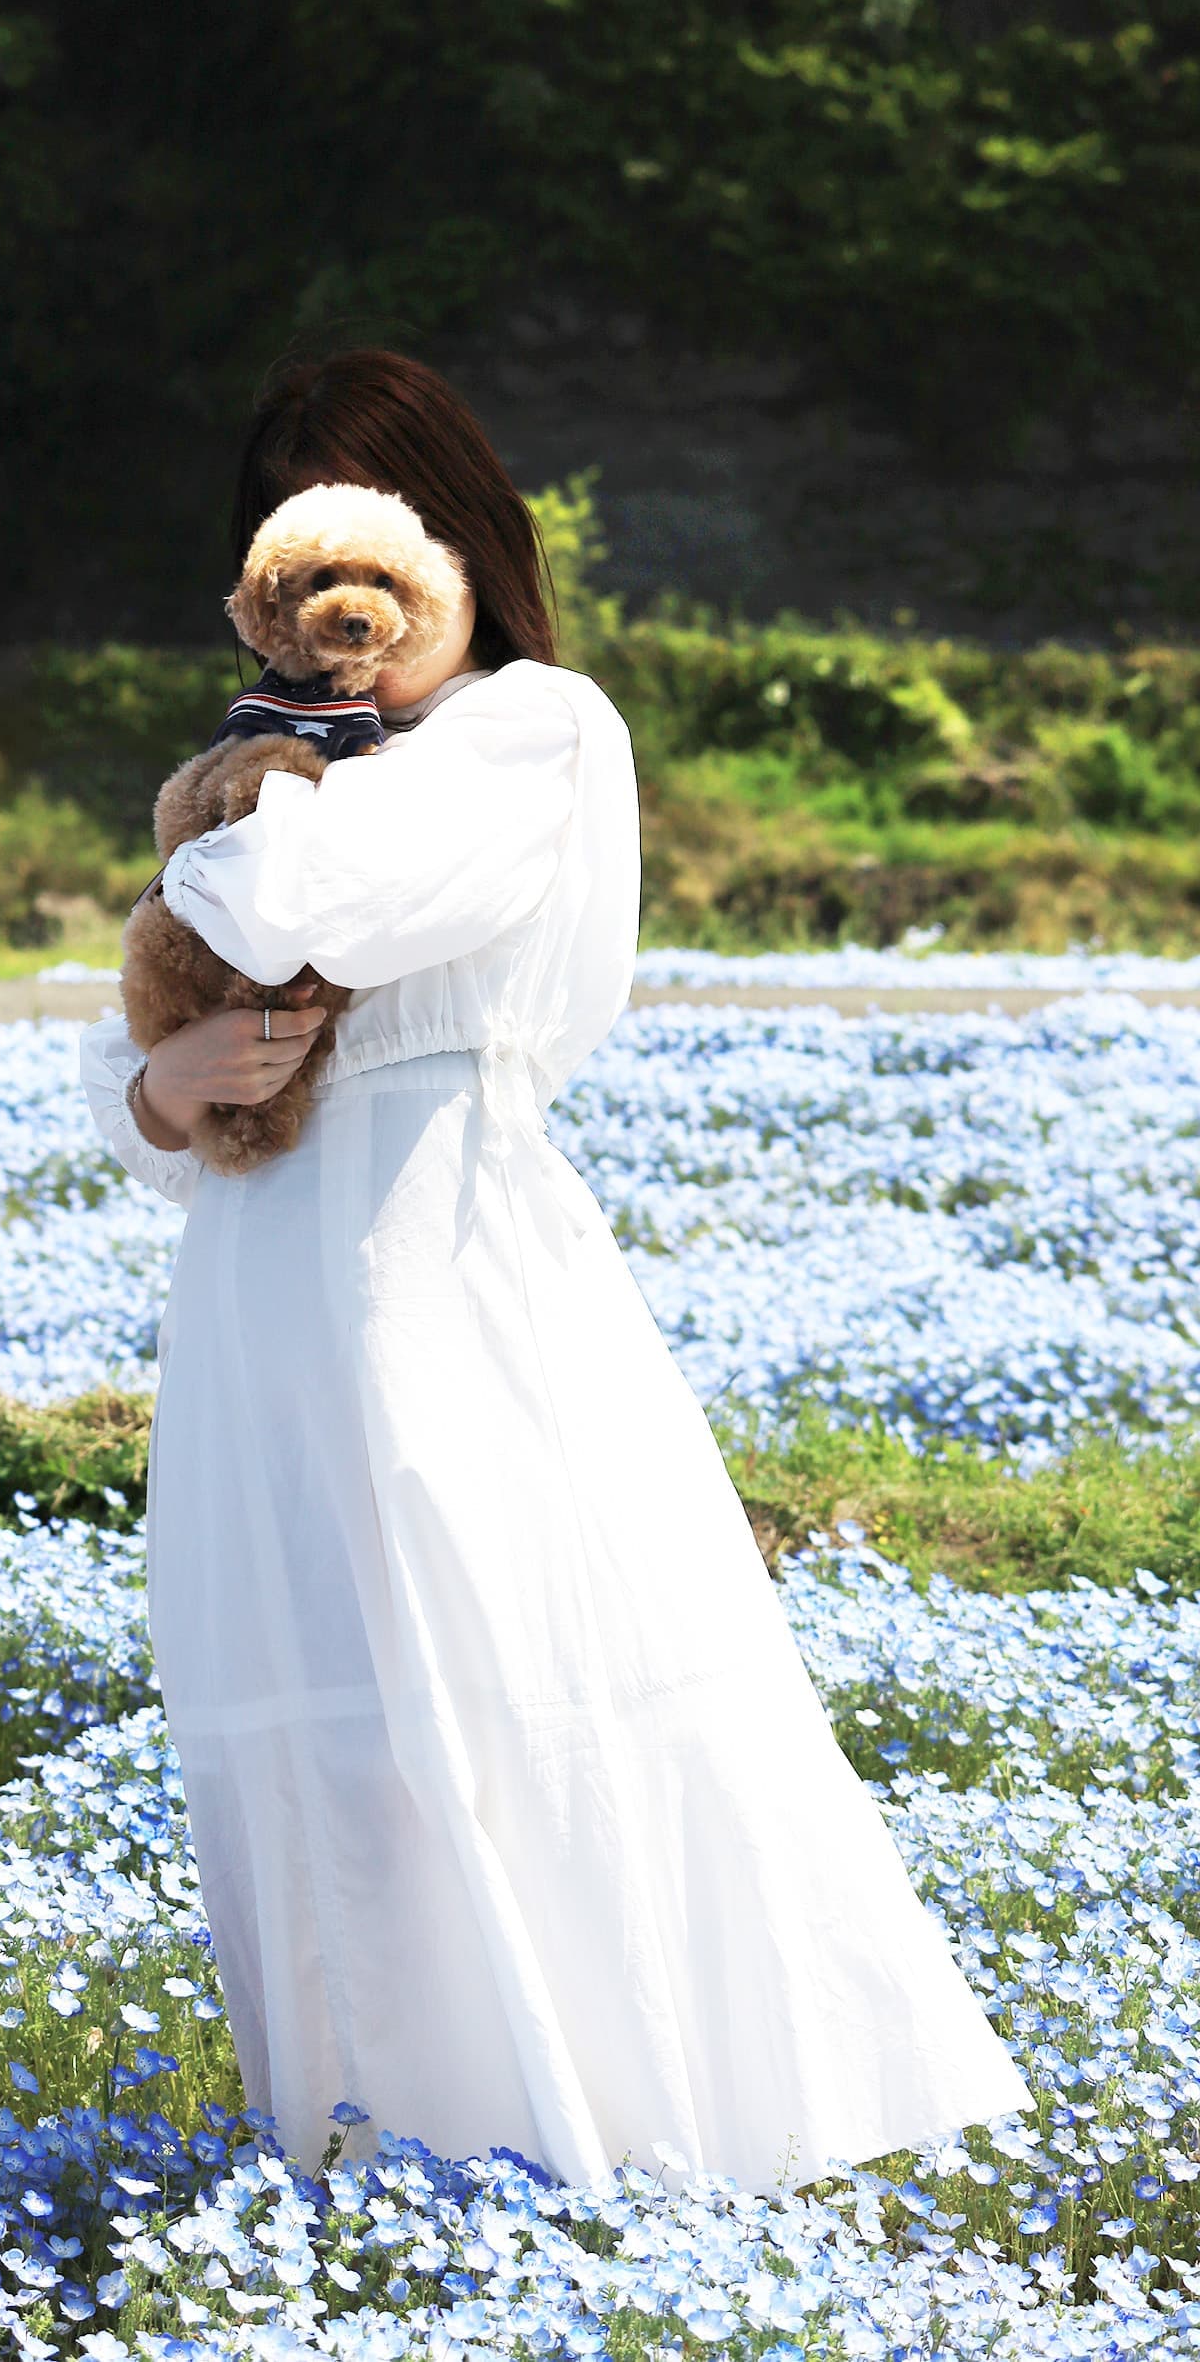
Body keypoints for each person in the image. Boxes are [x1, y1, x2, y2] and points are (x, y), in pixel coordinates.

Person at [78, 347, 1033, 2192]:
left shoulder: (534, 729)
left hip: (443, 1249)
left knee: (502, 1666)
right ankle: (364, 2168)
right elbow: (152, 1015)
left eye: (387, 539)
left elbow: (292, 905)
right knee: (308, 1702)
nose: (351, 604)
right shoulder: (291, 774)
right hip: (264, 1272)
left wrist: (217, 824)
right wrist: (155, 1082)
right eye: (299, 552)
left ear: (459, 542)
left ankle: (614, 2162)